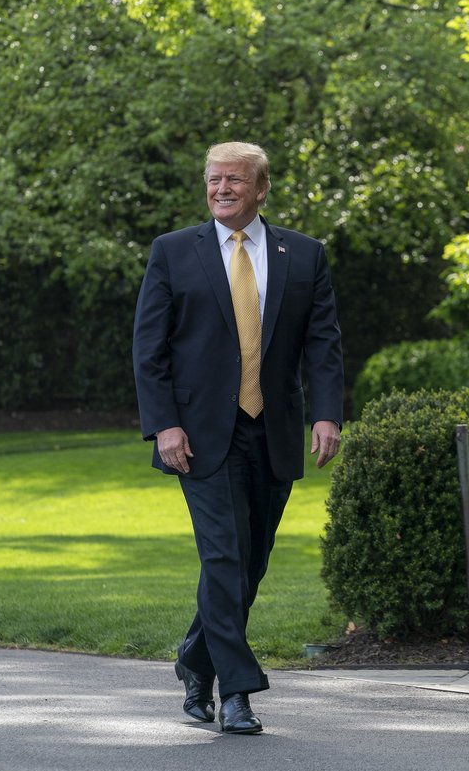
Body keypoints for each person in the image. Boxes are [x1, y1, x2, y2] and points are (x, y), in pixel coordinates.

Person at [132, 141, 344, 734]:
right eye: (213, 179)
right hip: (197, 436)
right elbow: (149, 351)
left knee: (249, 565)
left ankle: (195, 658)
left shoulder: (303, 255)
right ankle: (238, 693)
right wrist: (164, 424)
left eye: (234, 180)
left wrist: (326, 414)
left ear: (260, 189)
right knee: (223, 556)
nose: (221, 188)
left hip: (271, 431)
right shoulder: (173, 252)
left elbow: (322, 343)